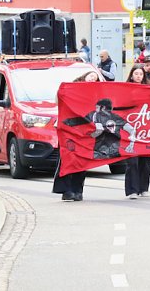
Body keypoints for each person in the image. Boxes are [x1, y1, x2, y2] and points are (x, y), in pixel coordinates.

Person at [52, 68, 100, 202]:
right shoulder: (71, 88)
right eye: (91, 76)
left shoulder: (95, 94)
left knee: (82, 160)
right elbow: (58, 101)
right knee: (67, 158)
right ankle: (66, 190)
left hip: (84, 131)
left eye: (95, 78)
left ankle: (78, 190)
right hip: (68, 129)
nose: (92, 79)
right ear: (85, 76)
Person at [124, 65, 150, 198]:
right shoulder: (125, 90)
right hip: (131, 130)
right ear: (131, 75)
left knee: (146, 162)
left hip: (146, 130)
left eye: (140, 74)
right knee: (132, 161)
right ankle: (132, 190)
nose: (138, 76)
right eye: (136, 73)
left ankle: (143, 188)